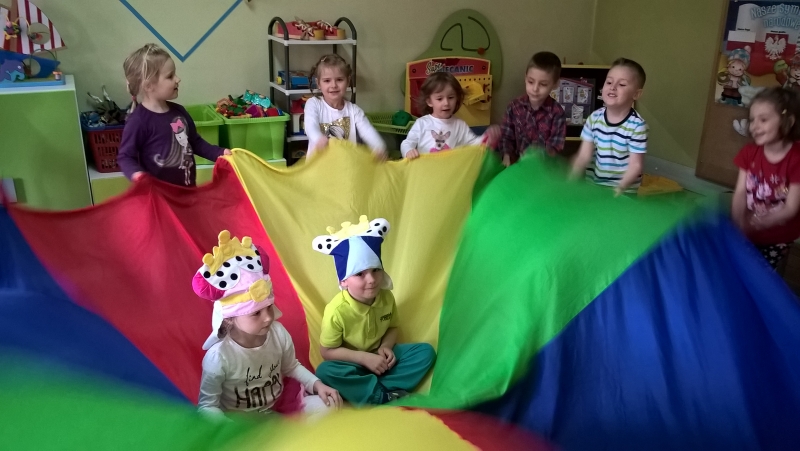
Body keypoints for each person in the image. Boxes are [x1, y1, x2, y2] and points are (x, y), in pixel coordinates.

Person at [194, 231, 341, 419]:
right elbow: (207, 406)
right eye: (256, 313)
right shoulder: (219, 357)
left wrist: (317, 384)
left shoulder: (278, 333)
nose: (268, 318)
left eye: (269, 307)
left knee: (328, 406)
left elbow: (291, 367)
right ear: (230, 318)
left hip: (280, 407)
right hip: (243, 422)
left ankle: (284, 429)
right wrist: (231, 428)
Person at [312, 215, 436, 405]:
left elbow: (392, 327)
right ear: (343, 281)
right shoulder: (336, 311)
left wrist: (385, 347)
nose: (371, 279)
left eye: (375, 270)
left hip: (381, 359)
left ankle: (374, 390)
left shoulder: (386, 297)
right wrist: (363, 358)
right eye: (360, 274)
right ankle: (380, 395)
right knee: (325, 371)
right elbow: (327, 351)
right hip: (353, 363)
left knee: (425, 352)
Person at [118, 43, 230, 186]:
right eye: (170, 76)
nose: (178, 79)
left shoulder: (179, 112)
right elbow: (125, 156)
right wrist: (138, 175)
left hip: (187, 191)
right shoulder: (138, 121)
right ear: (149, 85)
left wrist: (220, 153)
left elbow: (195, 143)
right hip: (158, 195)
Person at [732, 87, 800, 269]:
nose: (754, 126)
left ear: (788, 121)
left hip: (777, 237)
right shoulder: (748, 153)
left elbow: (791, 208)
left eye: (763, 120)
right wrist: (738, 223)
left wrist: (763, 222)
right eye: (752, 120)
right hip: (748, 230)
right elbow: (740, 192)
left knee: (762, 274)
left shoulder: (796, 159)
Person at [570, 58, 648, 196]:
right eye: (609, 82)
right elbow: (583, 156)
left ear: (636, 94)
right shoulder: (594, 118)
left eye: (622, 84)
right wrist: (571, 179)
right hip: (594, 187)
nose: (613, 87)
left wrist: (620, 188)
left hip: (623, 192)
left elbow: (636, 165)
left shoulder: (637, 126)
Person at [303, 54, 386, 160]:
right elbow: (310, 125)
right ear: (318, 83)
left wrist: (379, 147)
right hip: (318, 166)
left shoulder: (354, 111)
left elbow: (368, 131)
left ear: (347, 81)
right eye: (327, 80)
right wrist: (318, 138)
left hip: (346, 165)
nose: (333, 85)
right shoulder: (313, 104)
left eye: (339, 79)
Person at [400, 72, 499, 159]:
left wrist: (487, 139)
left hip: (450, 171)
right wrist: (408, 151)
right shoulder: (421, 123)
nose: (446, 103)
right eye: (439, 99)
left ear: (457, 98)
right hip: (424, 170)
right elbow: (407, 142)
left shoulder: (460, 125)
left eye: (451, 97)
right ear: (429, 101)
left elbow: (473, 144)